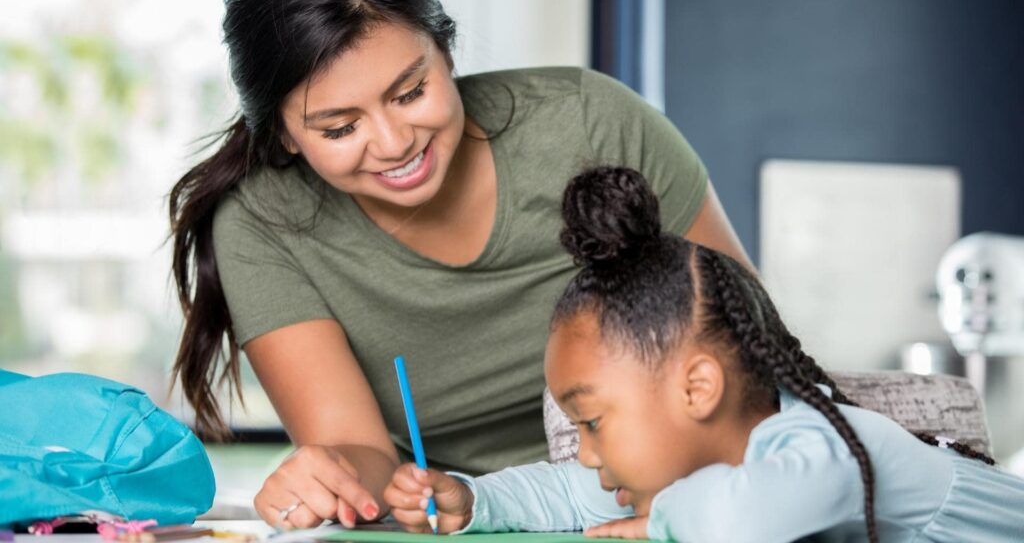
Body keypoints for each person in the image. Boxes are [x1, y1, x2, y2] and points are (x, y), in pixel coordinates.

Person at [168, 0, 750, 529]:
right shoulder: (262, 224)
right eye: (341, 129)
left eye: (411, 91)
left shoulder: (594, 124)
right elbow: (361, 455)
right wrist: (332, 476)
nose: (395, 144)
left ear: (446, 52)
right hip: (465, 519)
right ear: (284, 137)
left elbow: (745, 348)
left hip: (669, 493)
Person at [383, 168, 1024, 542]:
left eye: (593, 422)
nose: (584, 451)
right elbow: (572, 495)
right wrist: (473, 502)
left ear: (697, 389)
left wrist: (655, 522)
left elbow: (747, 520)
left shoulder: (819, 444)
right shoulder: (693, 464)